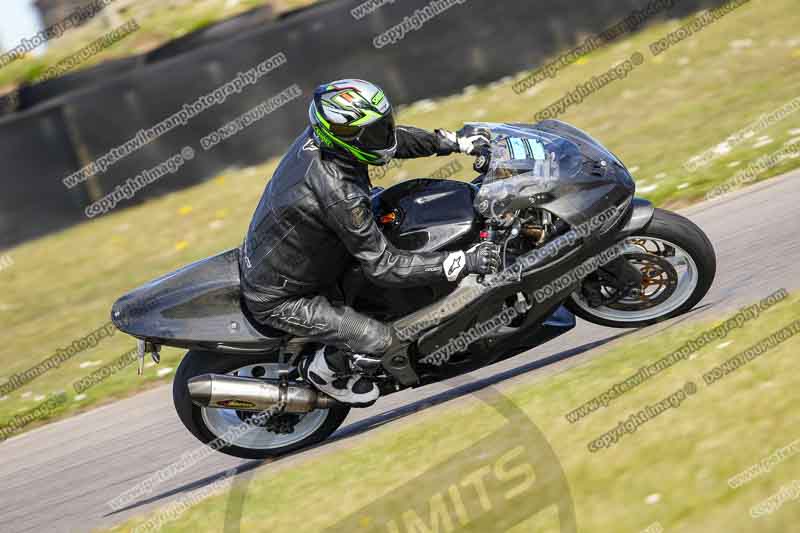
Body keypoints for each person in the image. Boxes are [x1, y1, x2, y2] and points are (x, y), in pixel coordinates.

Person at [240, 79, 500, 405]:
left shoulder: (328, 139)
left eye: (383, 124)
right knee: (379, 339)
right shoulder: (339, 192)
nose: (384, 133)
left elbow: (389, 142)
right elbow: (384, 267)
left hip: (310, 251)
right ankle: (327, 370)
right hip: (285, 297)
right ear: (346, 138)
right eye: (373, 131)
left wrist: (454, 143)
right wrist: (464, 261)